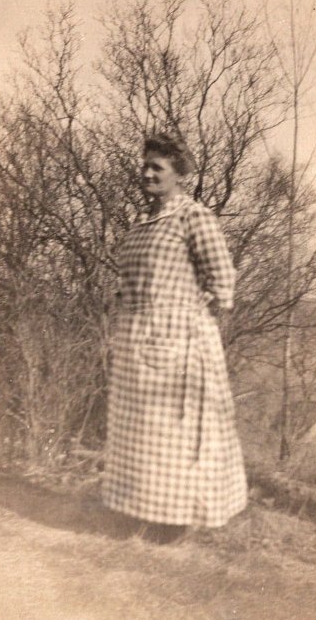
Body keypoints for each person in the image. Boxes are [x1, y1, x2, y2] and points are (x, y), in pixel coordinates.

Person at [102, 134, 247, 542]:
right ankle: (139, 511)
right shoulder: (141, 223)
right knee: (140, 434)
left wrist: (191, 315)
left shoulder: (193, 216)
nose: (148, 173)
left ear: (179, 174)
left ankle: (175, 521)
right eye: (145, 166)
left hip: (178, 346)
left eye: (158, 167)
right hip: (135, 341)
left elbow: (223, 279)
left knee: (173, 434)